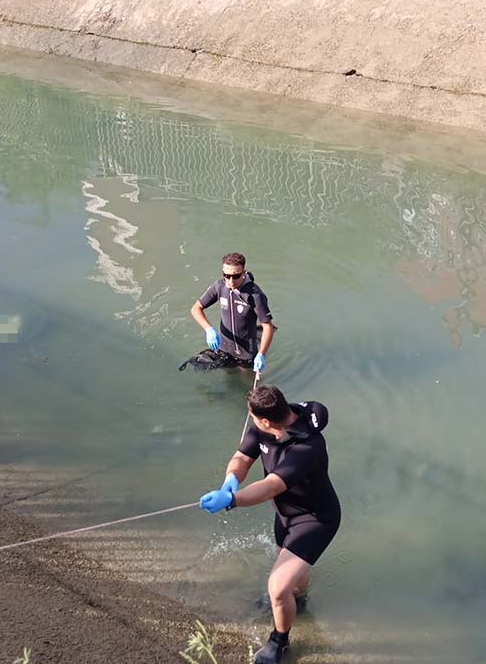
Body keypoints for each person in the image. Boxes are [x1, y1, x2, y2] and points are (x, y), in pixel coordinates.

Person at [198, 385, 341, 664]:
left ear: (266, 419)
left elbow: (270, 486)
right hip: (285, 514)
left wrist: (231, 501)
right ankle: (298, 603)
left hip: (316, 519)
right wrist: (230, 482)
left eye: (253, 417)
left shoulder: (306, 448)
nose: (251, 421)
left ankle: (280, 642)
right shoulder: (264, 426)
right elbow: (242, 457)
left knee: (277, 586)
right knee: (292, 577)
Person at [182, 252, 274, 373]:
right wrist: (208, 329)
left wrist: (261, 354)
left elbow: (268, 326)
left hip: (246, 354)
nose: (230, 281)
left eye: (236, 276)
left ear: (244, 273)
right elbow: (196, 309)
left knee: (247, 384)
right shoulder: (219, 287)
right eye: (226, 275)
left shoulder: (255, 295)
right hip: (223, 349)